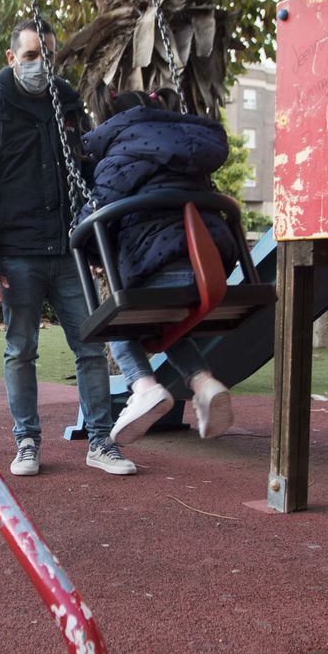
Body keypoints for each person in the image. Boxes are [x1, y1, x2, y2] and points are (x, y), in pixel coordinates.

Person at [0, 20, 135, 477]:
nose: (41, 65)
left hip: (69, 250)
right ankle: (26, 441)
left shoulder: (69, 108)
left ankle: (101, 440)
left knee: (91, 346)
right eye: (32, 55)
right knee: (20, 349)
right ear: (11, 58)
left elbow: (92, 177)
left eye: (48, 56)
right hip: (17, 254)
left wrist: (99, 250)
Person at [81, 88, 237, 444]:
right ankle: (204, 383)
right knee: (164, 327)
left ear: (115, 120)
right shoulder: (191, 150)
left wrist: (92, 254)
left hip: (163, 268)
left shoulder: (121, 153)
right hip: (210, 270)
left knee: (115, 322)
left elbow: (95, 212)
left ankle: (144, 386)